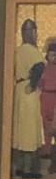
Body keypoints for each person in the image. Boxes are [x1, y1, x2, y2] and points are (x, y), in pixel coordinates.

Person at [12, 18, 44, 179]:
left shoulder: (20, 50)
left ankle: (22, 167)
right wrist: (32, 84)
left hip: (20, 90)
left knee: (24, 129)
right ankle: (25, 169)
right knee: (28, 130)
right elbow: (39, 66)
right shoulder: (28, 50)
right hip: (27, 92)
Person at [39, 40, 56, 171]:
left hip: (55, 97)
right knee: (46, 126)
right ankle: (47, 151)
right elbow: (40, 83)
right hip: (45, 97)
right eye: (51, 55)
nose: (53, 57)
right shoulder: (44, 68)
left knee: (54, 127)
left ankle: (53, 160)